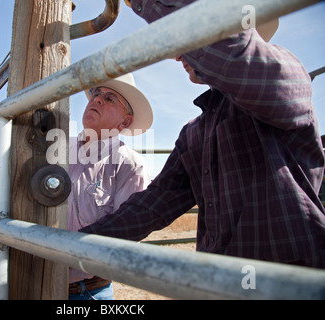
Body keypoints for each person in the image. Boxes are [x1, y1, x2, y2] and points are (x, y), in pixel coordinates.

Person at [81, 0, 325, 269]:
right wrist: (79, 243)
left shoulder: (286, 75)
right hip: (219, 281)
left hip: (291, 281)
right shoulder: (195, 132)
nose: (177, 56)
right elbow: (153, 205)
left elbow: (236, 57)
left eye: (187, 42)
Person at [68, 73, 153, 299]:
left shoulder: (129, 165)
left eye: (110, 98)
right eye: (96, 93)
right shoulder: (58, 149)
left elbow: (126, 231)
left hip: (88, 291)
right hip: (35, 281)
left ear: (124, 122)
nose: (96, 99)